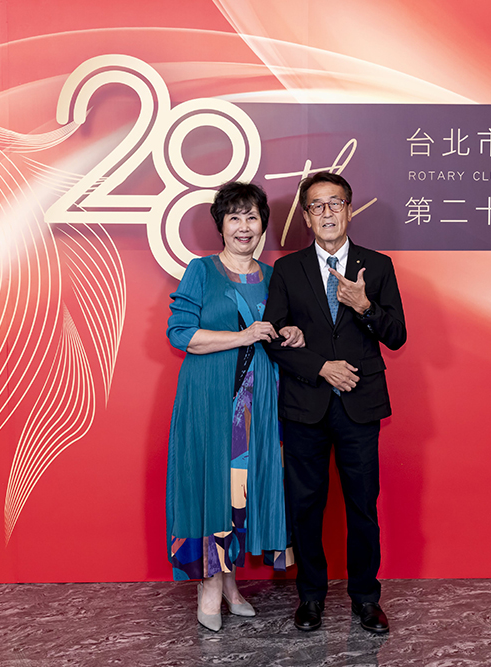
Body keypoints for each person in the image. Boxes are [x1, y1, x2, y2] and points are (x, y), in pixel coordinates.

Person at [263, 172, 406, 634]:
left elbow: (397, 336)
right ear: (306, 217)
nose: (327, 212)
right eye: (317, 206)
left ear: (349, 209)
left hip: (359, 405)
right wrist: (321, 367)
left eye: (335, 203)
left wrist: (364, 306)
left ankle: (366, 598)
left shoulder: (377, 266)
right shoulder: (287, 269)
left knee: (362, 505)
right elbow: (273, 337)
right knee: (306, 506)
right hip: (305, 405)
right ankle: (311, 596)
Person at [165, 181, 302, 632]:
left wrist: (292, 333)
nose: (244, 227)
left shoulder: (274, 275)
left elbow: (279, 332)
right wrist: (243, 336)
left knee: (240, 490)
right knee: (211, 487)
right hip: (210, 398)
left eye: (252, 217)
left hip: (257, 405)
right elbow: (182, 335)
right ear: (221, 226)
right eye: (234, 217)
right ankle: (208, 586)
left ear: (263, 224)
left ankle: (229, 584)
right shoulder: (202, 270)